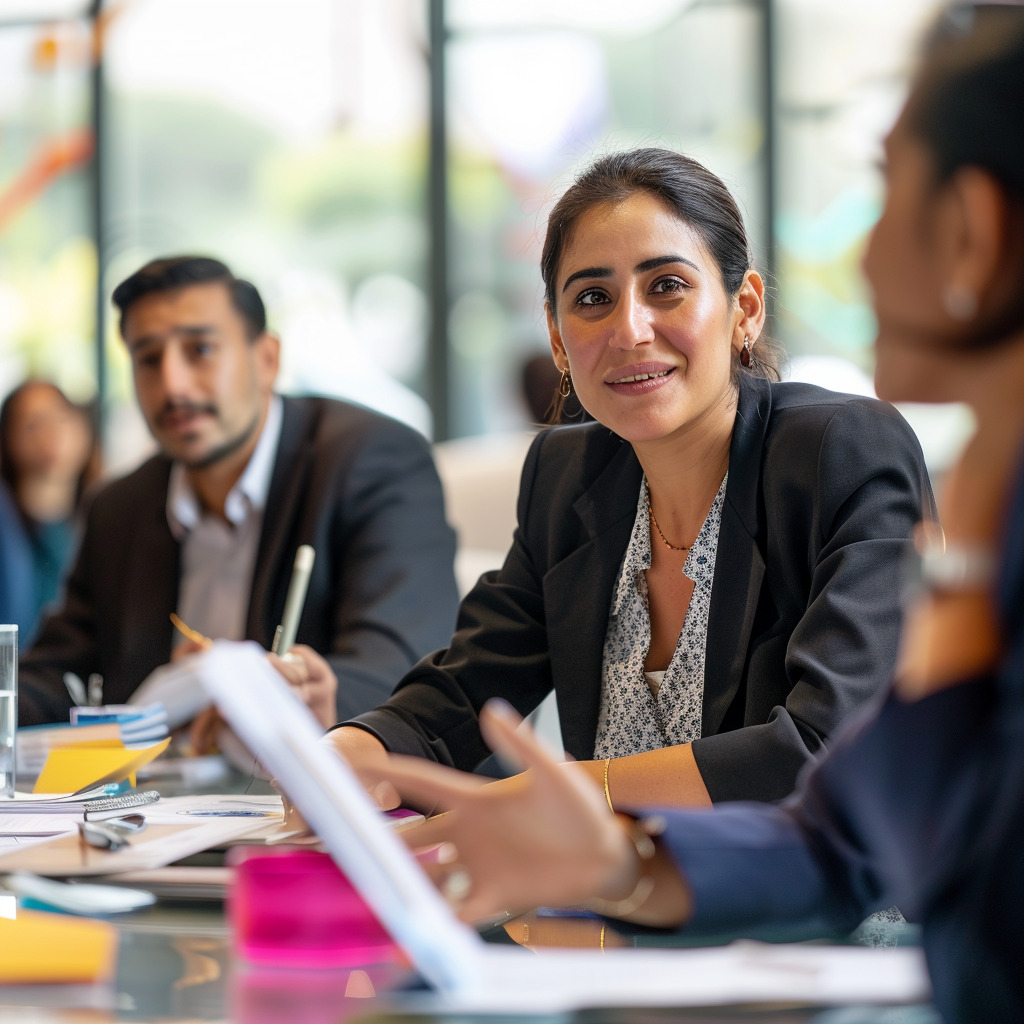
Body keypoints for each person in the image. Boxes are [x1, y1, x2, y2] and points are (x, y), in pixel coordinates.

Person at [362, 4, 1024, 1019]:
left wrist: (581, 803)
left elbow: (819, 774)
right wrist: (613, 856)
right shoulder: (988, 490)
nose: (858, 253)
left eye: (883, 189)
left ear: (972, 231)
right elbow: (840, 833)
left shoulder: (858, 452)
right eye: (588, 299)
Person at [329, 147, 933, 810]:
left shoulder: (840, 451)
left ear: (746, 308)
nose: (629, 329)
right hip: (621, 907)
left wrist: (559, 795)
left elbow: (826, 748)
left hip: (828, 908)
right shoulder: (566, 478)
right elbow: (462, 694)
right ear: (559, 343)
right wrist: (349, 752)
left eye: (666, 286)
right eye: (593, 298)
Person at [17, 256, 460, 734]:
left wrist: (274, 699)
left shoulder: (374, 461)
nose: (173, 384)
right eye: (148, 359)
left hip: (347, 787)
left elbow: (399, 664)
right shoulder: (119, 507)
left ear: (266, 359)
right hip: (163, 799)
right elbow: (59, 674)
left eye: (200, 350)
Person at [0, 380, 95, 645]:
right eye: (33, 424)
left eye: (61, 418)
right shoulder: (6, 527)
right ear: (7, 437)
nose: (50, 434)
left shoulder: (105, 517)